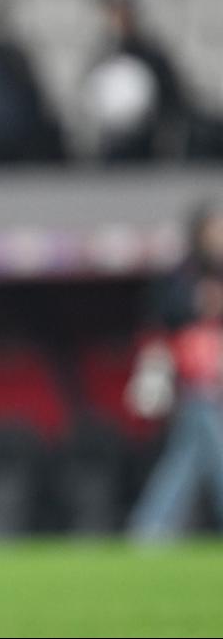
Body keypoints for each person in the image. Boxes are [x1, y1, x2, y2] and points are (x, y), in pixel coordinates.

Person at [126, 200, 223, 539]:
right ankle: (150, 529)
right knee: (213, 450)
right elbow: (163, 318)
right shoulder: (184, 275)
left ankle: (150, 529)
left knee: (186, 461)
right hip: (193, 383)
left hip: (216, 382)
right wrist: (199, 303)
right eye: (215, 230)